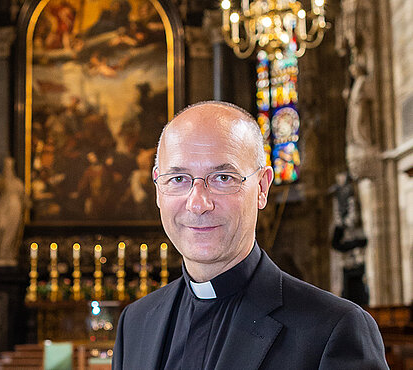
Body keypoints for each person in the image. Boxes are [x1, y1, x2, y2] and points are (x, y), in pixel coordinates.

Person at [112, 101, 387, 369]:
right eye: (178, 179)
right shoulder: (135, 323)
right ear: (158, 189)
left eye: (223, 178)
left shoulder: (333, 329)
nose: (198, 204)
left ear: (262, 188)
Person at [0, 157, 27, 265]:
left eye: (10, 166)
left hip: (15, 210)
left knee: (10, 233)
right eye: (6, 166)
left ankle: (6, 254)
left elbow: (24, 199)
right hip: (2, 208)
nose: (8, 168)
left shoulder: (17, 183)